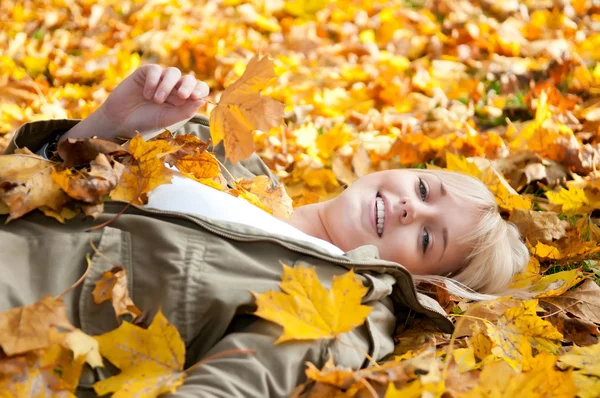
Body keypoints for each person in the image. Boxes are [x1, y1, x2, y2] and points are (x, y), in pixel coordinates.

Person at [0, 64, 529, 397]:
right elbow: (26, 182)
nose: (413, 211)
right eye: (422, 190)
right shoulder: (228, 160)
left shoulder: (344, 305)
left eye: (428, 240)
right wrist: (108, 125)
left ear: (425, 281)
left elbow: (229, 388)